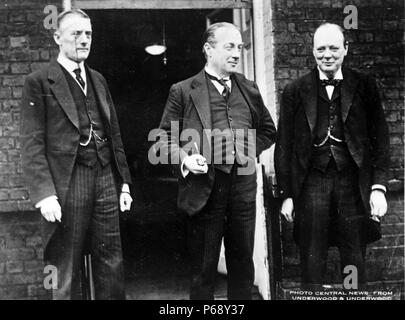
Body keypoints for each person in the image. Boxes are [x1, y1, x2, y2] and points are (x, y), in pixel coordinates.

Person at [155, 22, 276, 300]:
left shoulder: (248, 88)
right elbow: (163, 138)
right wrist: (185, 158)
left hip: (243, 189)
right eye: (229, 46)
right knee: (203, 271)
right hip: (205, 188)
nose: (236, 53)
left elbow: (269, 131)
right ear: (208, 50)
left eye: (240, 47)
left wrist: (244, 151)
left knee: (243, 269)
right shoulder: (184, 91)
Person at [21, 9, 133, 299]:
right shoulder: (39, 81)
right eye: (76, 34)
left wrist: (124, 182)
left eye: (88, 34)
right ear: (58, 37)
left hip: (105, 178)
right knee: (65, 266)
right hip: (68, 183)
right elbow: (32, 143)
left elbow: (114, 134)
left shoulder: (98, 79)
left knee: (111, 262)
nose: (84, 40)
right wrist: (45, 194)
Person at [274, 23, 389, 290]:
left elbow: (380, 138)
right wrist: (287, 195)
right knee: (312, 258)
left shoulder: (364, 84)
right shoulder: (295, 90)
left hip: (352, 182)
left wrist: (378, 187)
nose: (327, 54)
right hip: (312, 182)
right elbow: (284, 146)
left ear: (345, 49)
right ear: (312, 52)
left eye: (334, 48)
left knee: (354, 257)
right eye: (321, 49)